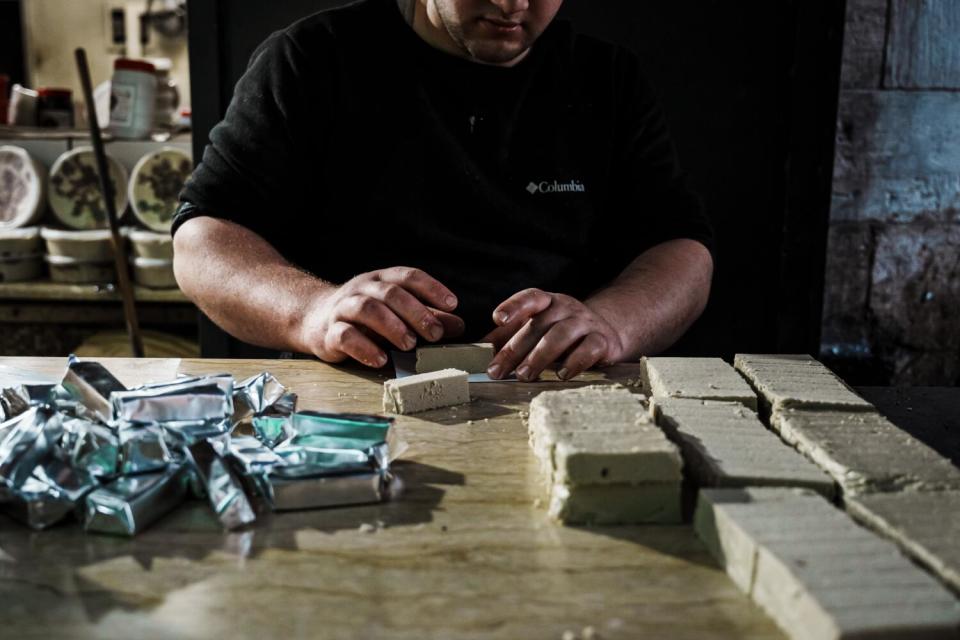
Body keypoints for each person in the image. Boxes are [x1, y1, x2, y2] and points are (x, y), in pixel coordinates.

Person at [172, 0, 714, 382]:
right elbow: (201, 241)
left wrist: (612, 325)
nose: (511, 4)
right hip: (353, 394)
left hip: (556, 390)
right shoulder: (312, 59)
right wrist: (313, 311)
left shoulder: (608, 78)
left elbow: (683, 252)